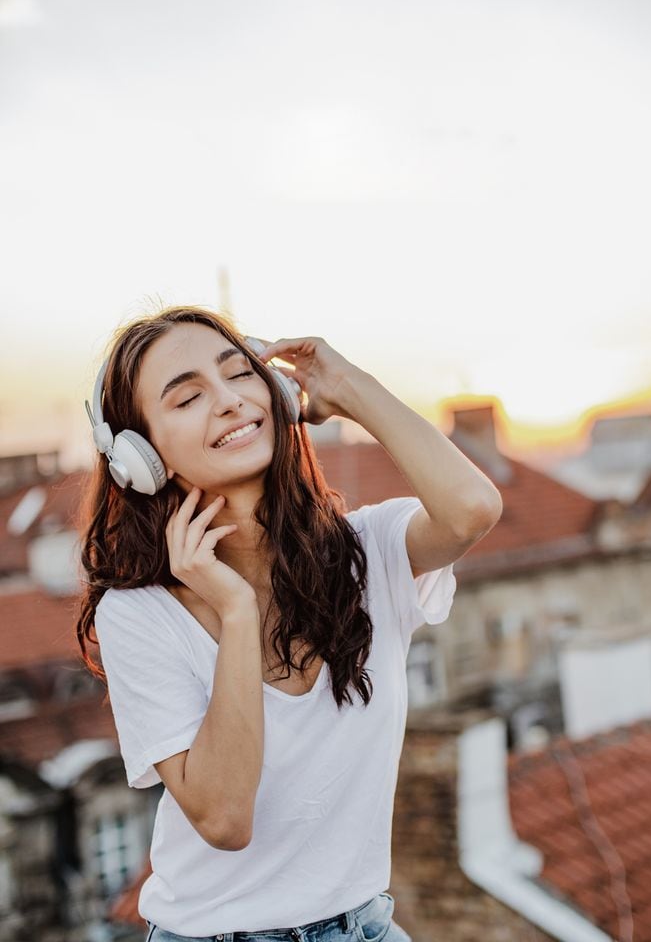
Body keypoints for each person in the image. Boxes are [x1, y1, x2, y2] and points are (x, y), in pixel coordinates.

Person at [77, 305, 502, 942]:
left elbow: (472, 508)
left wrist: (349, 387)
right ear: (140, 457)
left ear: (276, 391)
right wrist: (237, 612)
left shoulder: (368, 552)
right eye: (188, 397)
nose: (228, 401)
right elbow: (225, 817)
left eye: (240, 374)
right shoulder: (138, 616)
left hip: (367, 925)